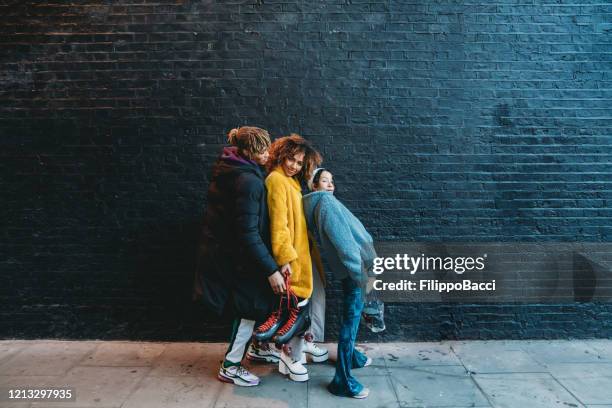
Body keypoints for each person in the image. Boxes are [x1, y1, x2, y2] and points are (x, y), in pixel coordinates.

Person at [193, 126, 287, 387]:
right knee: (248, 307)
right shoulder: (249, 182)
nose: (268, 154)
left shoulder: (230, 168)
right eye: (262, 150)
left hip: (227, 251)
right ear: (247, 151)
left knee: (255, 303)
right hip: (237, 256)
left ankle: (257, 348)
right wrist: (271, 269)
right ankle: (231, 366)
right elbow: (247, 233)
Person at [253, 134, 324, 382]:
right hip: (292, 260)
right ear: (281, 155)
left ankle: (289, 356)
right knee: (293, 313)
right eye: (291, 159)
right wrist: (284, 259)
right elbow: (279, 225)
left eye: (299, 162)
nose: (294, 165)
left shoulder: (290, 182)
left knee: (295, 310)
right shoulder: (276, 180)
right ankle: (290, 357)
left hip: (299, 256)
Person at [303, 168, 376, 399]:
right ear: (314, 186)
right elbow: (346, 246)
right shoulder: (326, 204)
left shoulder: (319, 204)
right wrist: (362, 276)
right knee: (350, 322)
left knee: (350, 317)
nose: (330, 185)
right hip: (356, 271)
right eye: (324, 181)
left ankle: (353, 357)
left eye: (332, 181)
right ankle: (342, 381)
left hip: (352, 270)